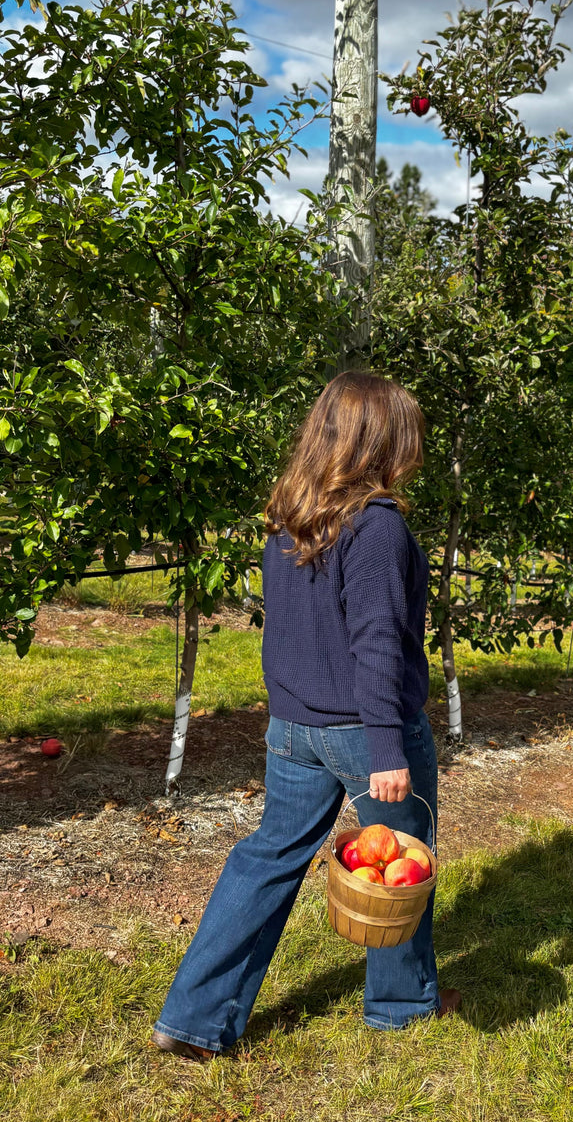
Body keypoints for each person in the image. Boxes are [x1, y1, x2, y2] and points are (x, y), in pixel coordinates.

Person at [152, 371, 460, 1060]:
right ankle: (403, 1007)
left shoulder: (294, 515)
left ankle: (195, 1019)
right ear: (382, 440)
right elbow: (376, 639)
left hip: (295, 729)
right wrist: (387, 747)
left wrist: (289, 713)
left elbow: (289, 632)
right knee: (400, 866)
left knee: (266, 859)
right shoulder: (377, 526)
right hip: (363, 730)